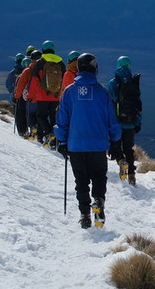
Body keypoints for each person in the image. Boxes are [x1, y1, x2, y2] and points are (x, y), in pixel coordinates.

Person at [55, 53, 122, 228]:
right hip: (98, 146)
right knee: (99, 177)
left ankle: (84, 214)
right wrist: (115, 142)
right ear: (95, 69)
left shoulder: (69, 92)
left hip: (75, 145)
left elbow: (62, 120)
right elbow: (112, 121)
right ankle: (98, 201)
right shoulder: (102, 92)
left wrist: (62, 141)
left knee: (81, 181)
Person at [106, 55, 142, 185]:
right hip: (130, 122)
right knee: (129, 149)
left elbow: (110, 104)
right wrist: (138, 122)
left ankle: (121, 161)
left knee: (115, 146)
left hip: (116, 123)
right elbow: (138, 105)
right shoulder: (134, 82)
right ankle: (132, 175)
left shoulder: (112, 83)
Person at [27, 40, 66, 147]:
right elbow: (64, 80)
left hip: (42, 96)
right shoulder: (60, 63)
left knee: (40, 116)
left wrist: (30, 96)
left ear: (43, 49)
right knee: (54, 118)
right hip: (56, 96)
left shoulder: (40, 62)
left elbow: (34, 81)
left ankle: (49, 133)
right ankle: (55, 140)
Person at [13, 50, 41, 139]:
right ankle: (40, 133)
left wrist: (16, 97)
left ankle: (31, 130)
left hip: (29, 98)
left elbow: (20, 86)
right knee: (40, 116)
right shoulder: (43, 69)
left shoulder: (27, 71)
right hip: (42, 98)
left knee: (28, 116)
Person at [5, 53, 28, 136]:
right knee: (26, 114)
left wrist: (13, 93)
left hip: (16, 97)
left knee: (18, 115)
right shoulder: (27, 71)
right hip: (27, 97)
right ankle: (26, 130)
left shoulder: (13, 72)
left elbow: (8, 84)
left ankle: (21, 132)